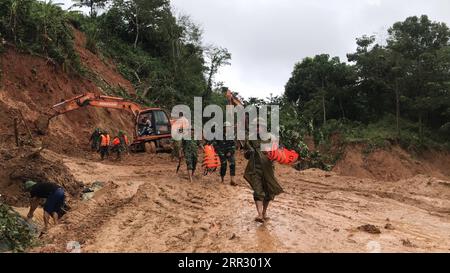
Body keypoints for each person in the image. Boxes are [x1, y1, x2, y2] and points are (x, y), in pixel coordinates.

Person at [243, 118, 283, 223]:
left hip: (268, 169)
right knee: (258, 191)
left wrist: (272, 155)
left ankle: (264, 212)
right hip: (255, 168)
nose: (256, 128)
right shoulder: (250, 139)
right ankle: (259, 214)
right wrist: (249, 152)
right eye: (255, 126)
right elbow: (246, 155)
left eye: (259, 126)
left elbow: (278, 153)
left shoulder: (271, 138)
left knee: (269, 192)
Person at [213, 121, 237, 186]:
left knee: (232, 164)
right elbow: (215, 144)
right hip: (222, 153)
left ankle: (232, 180)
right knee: (224, 165)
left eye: (229, 127)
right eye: (226, 127)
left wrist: (230, 152)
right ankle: (222, 179)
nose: (228, 128)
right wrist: (219, 152)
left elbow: (234, 145)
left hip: (230, 153)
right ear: (224, 128)